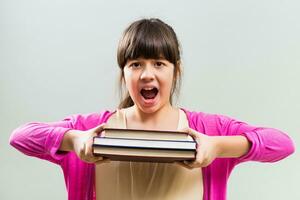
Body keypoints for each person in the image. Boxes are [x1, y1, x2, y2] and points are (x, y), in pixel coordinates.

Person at [9, 18, 295, 200]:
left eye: (159, 63)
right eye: (136, 65)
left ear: (175, 71)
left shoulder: (209, 131)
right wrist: (74, 139)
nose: (147, 74)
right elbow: (20, 137)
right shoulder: (93, 129)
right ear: (124, 74)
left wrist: (218, 147)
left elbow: (283, 144)